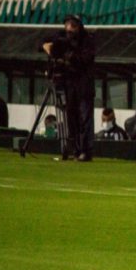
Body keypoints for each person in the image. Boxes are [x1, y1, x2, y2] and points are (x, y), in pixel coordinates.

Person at [41, 15, 96, 161]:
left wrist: (67, 57)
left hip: (84, 85)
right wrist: (48, 48)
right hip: (69, 84)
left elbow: (84, 60)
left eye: (73, 25)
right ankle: (76, 150)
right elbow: (44, 42)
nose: (69, 29)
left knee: (84, 118)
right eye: (68, 25)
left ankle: (85, 151)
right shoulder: (61, 36)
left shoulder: (87, 40)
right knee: (72, 118)